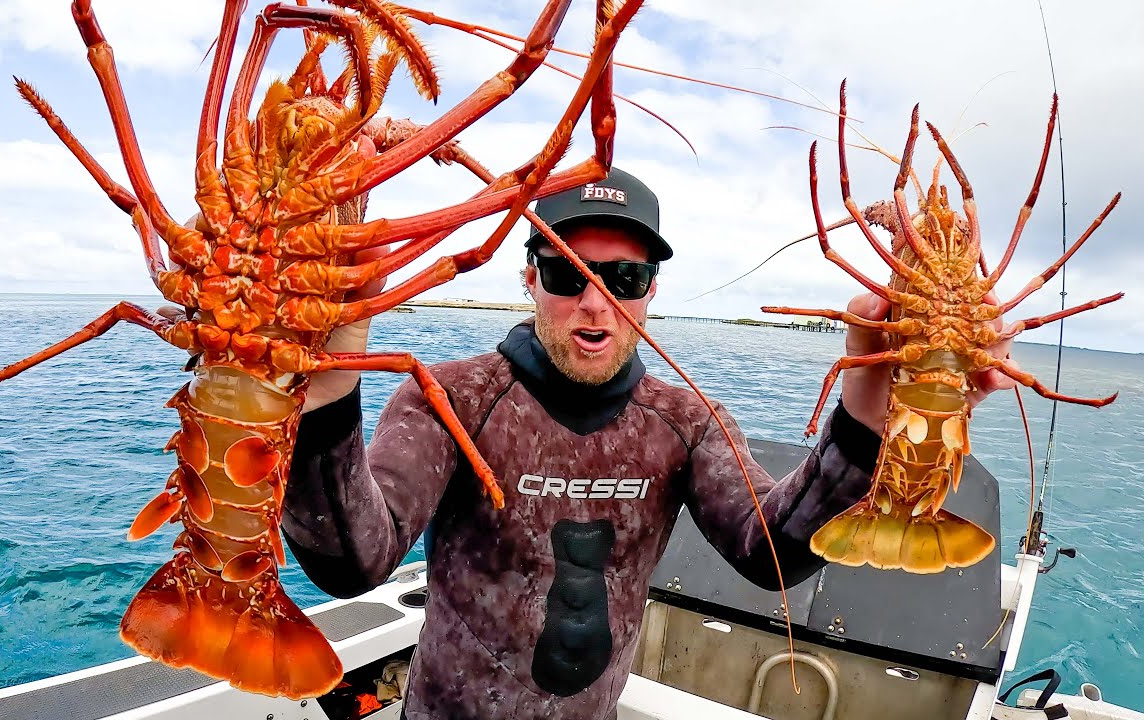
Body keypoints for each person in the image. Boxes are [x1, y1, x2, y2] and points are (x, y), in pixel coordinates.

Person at [279, 167, 1015, 719]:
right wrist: (324, 389)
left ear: (651, 289)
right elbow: (350, 560)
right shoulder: (451, 398)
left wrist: (868, 407)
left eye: (625, 276)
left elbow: (772, 553)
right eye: (567, 271)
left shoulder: (684, 419)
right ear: (530, 277)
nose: (596, 302)